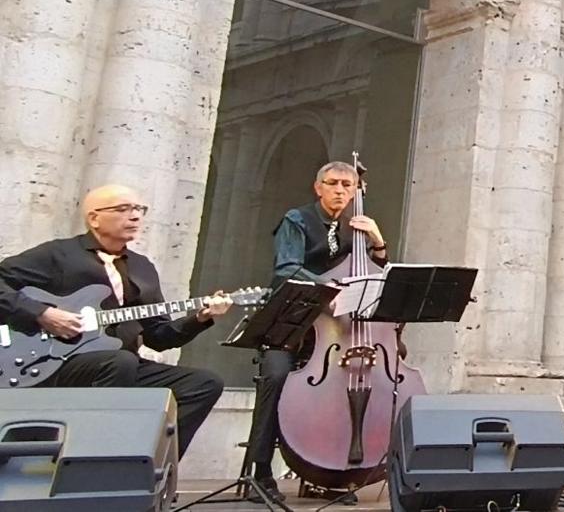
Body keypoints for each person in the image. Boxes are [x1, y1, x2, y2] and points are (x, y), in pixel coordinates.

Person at [0, 184, 229, 456]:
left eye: (139, 209)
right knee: (120, 361)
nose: (135, 216)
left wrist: (200, 319)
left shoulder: (142, 267)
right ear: (94, 218)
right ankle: (88, 461)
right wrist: (42, 314)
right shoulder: (58, 254)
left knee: (203, 383)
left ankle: (147, 465)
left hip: (119, 364)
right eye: (123, 209)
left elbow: (158, 337)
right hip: (56, 362)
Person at [244, 160, 389, 505]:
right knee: (276, 377)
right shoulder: (296, 220)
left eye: (347, 186)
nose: (340, 190)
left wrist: (378, 242)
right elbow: (286, 269)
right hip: (290, 322)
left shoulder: (351, 231)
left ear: (355, 192)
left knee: (352, 379)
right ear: (318, 187)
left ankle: (328, 472)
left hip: (330, 334)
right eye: (334, 183)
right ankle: (259, 471)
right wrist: (330, 286)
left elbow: (373, 273)